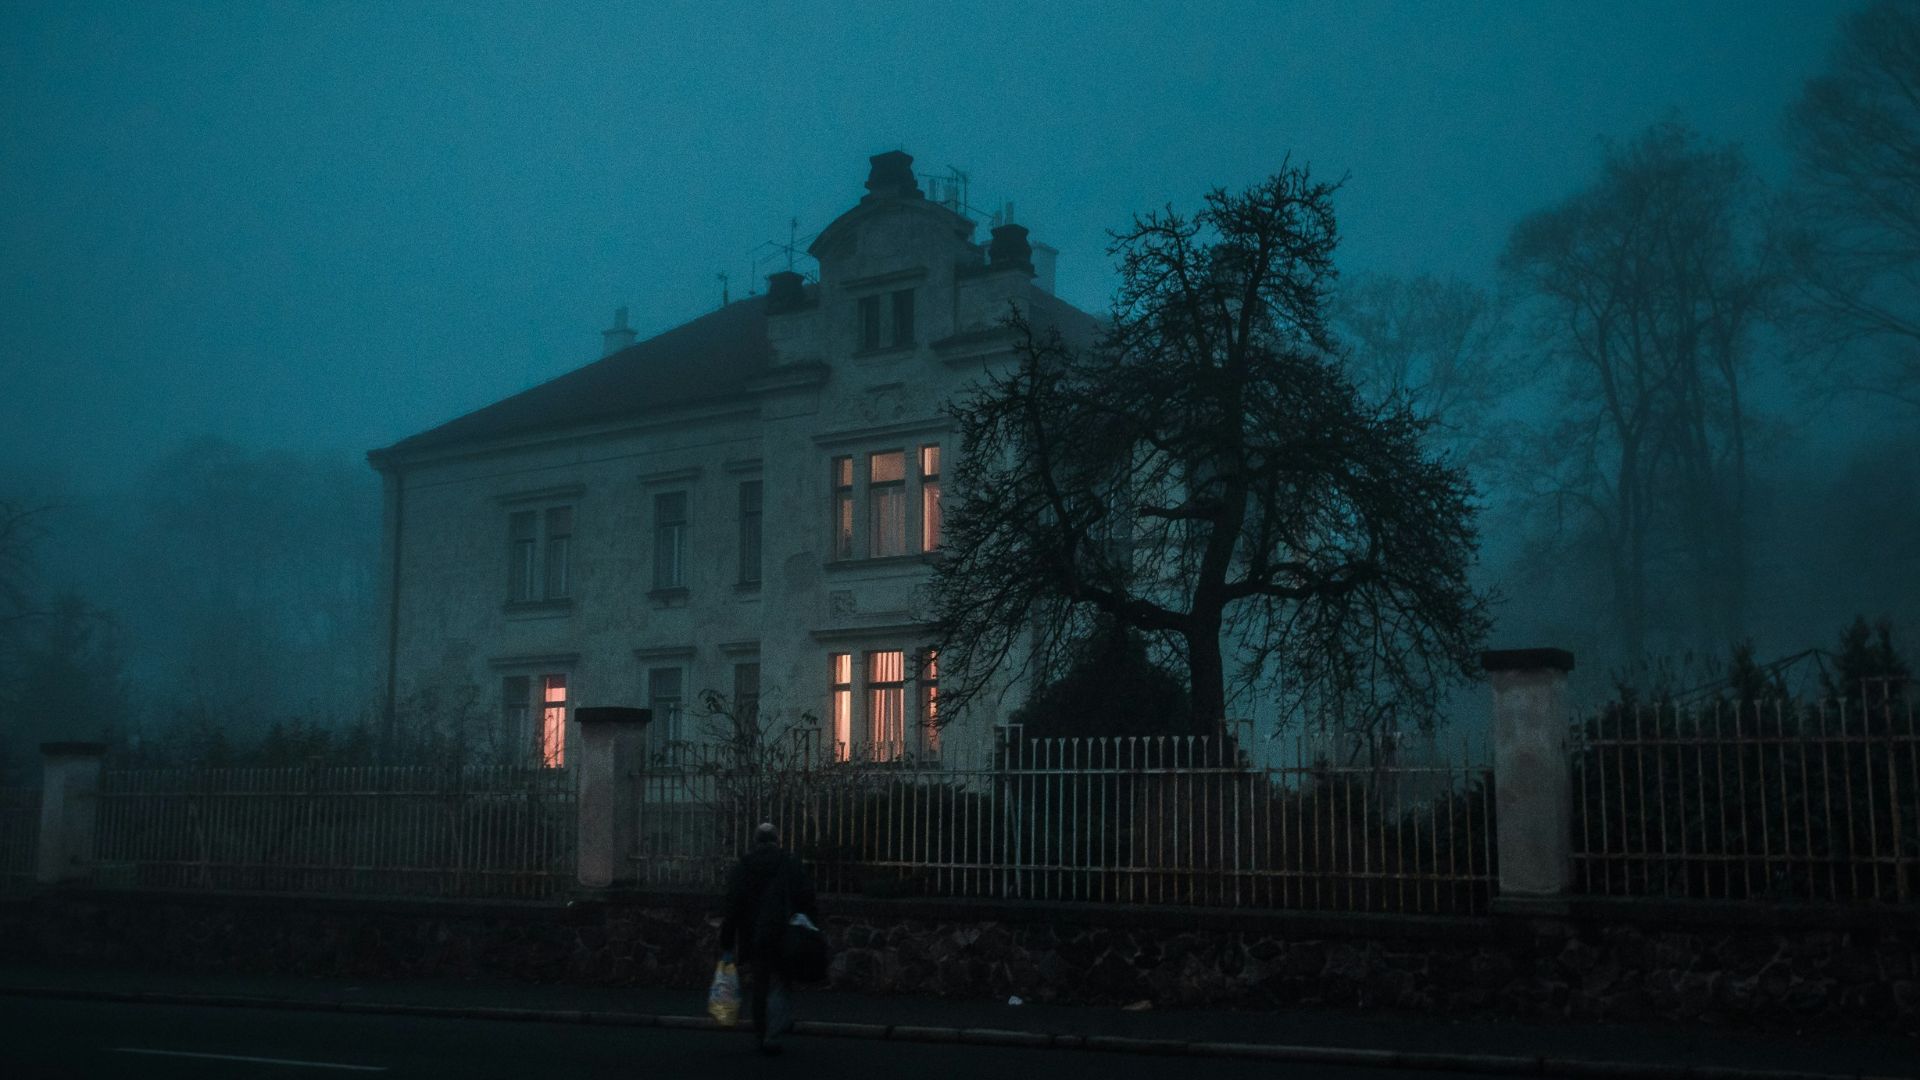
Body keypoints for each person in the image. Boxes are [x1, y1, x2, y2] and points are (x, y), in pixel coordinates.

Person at [719, 821, 818, 1055]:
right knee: (782, 982)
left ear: (756, 841)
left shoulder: (743, 867)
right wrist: (810, 926)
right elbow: (807, 898)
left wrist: (727, 942)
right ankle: (774, 1032)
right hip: (784, 932)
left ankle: (762, 1033)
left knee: (760, 984)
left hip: (754, 934)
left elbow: (732, 906)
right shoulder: (789, 863)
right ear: (777, 840)